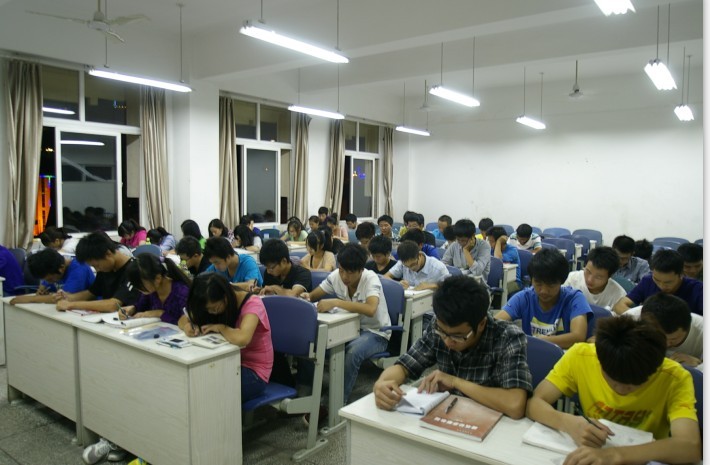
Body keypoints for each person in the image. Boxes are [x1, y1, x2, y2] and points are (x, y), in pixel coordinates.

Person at [526, 317, 701, 465]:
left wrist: (616, 455)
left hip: (645, 458)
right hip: (590, 452)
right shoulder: (581, 356)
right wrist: (569, 423)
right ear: (600, 359)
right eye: (613, 380)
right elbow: (534, 403)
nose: (621, 389)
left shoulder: (675, 377)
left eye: (634, 384)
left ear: (656, 367)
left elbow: (690, 447)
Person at [373, 276, 532, 419]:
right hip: (447, 415)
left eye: (458, 336)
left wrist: (455, 382)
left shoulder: (507, 337)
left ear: (481, 324)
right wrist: (383, 383)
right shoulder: (440, 326)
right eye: (443, 333)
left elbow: (515, 405)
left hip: (490, 424)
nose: (448, 342)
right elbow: (405, 365)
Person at [301, 243, 390, 404]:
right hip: (348, 329)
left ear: (361, 270)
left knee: (352, 352)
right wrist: (306, 297)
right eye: (342, 270)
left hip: (375, 332)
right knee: (310, 344)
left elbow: (370, 309)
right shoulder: (336, 275)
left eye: (350, 272)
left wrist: (336, 302)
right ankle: (307, 396)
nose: (344, 277)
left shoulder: (371, 279)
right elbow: (314, 295)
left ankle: (334, 403)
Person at [183, 273, 273, 402]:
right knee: (194, 380)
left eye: (214, 309)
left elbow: (243, 338)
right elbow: (183, 318)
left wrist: (221, 328)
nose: (211, 313)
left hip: (253, 371)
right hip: (227, 361)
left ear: (225, 296)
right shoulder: (212, 303)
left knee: (207, 389)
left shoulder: (253, 304)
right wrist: (187, 325)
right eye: (208, 310)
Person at [495, 248, 591, 349]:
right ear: (531, 280)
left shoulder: (574, 298)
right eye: (538, 283)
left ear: (561, 281)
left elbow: (578, 336)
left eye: (551, 284)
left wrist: (542, 341)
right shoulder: (525, 297)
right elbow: (494, 324)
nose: (544, 291)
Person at [55, 232, 140, 312]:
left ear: (108, 254)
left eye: (97, 265)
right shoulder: (106, 268)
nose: (97, 270)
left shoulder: (135, 270)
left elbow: (114, 305)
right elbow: (91, 293)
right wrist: (67, 297)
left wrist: (71, 305)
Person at [613, 249, 703, 316]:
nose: (661, 286)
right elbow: (619, 306)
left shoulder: (698, 289)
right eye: (657, 280)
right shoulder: (648, 281)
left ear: (681, 275)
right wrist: (643, 319)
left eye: (668, 282)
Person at [624, 294, 703, 369]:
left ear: (688, 328)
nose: (666, 344)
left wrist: (699, 365)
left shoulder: (702, 329)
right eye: (659, 337)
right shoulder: (631, 320)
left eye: (673, 339)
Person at [121, 253, 192, 325]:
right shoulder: (151, 291)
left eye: (140, 285)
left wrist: (160, 313)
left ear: (158, 278)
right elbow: (141, 306)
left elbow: (187, 323)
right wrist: (133, 308)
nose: (138, 289)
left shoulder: (182, 292)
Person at [9, 248, 94, 304]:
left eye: (50, 279)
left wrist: (31, 299)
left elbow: (63, 298)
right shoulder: (51, 269)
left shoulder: (79, 268)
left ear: (61, 268)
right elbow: (43, 288)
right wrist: (41, 291)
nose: (48, 281)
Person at [563, 246, 626, 311]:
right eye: (588, 271)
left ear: (610, 276)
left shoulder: (619, 295)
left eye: (598, 277)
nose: (589, 280)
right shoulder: (571, 280)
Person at [385, 240, 450, 291]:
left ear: (420, 255)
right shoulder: (402, 263)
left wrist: (432, 285)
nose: (411, 269)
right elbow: (385, 277)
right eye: (407, 266)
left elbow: (451, 287)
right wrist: (398, 284)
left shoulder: (438, 267)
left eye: (413, 264)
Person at [487, 226, 522, 291]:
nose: (490, 244)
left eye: (492, 241)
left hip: (513, 282)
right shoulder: (491, 249)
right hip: (498, 280)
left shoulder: (512, 250)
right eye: (489, 241)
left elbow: (497, 261)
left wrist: (499, 242)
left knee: (500, 290)